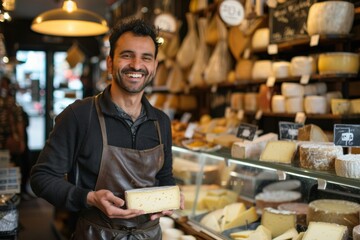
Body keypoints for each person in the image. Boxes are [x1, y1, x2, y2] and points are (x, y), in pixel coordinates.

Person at [30, 18, 184, 239]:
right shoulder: (80, 115)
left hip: (149, 235)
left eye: (146, 58)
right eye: (127, 55)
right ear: (110, 63)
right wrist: (89, 198)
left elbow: (165, 177)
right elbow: (42, 178)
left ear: (154, 67)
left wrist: (171, 196)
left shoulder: (161, 121)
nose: (137, 65)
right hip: (96, 234)